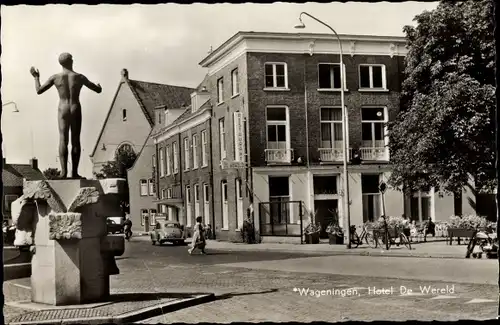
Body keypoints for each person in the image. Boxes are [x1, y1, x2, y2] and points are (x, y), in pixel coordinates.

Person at [30, 53, 102, 179]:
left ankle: (63, 172)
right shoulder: (79, 77)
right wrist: (99, 86)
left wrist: (36, 77)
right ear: (71, 61)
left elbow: (39, 90)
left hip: (62, 108)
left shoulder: (55, 77)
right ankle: (74, 172)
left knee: (63, 139)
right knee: (75, 140)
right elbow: (97, 89)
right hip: (75, 107)